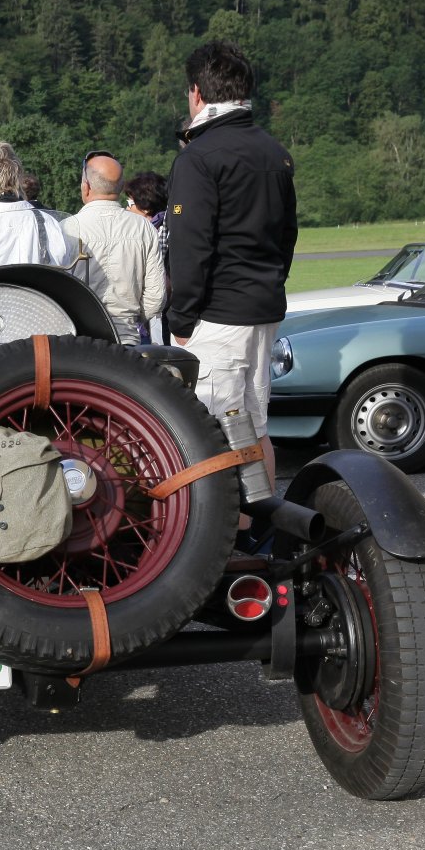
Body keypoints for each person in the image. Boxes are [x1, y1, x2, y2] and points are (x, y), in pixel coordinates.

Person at [165, 41, 297, 538]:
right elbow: (287, 236)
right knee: (255, 425)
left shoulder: (199, 157)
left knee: (209, 430)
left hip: (217, 315)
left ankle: (224, 539)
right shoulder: (275, 152)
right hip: (263, 307)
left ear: (197, 93)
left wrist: (181, 319)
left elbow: (190, 247)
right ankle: (259, 529)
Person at [62, 152, 164, 346]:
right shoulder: (143, 228)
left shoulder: (66, 228)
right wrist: (130, 318)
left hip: (79, 339)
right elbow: (156, 296)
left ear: (86, 186)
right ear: (121, 187)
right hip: (127, 337)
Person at [124, 171, 171, 343]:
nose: (126, 209)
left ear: (145, 208)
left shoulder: (157, 232)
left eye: (130, 203)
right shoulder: (167, 224)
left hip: (160, 314)